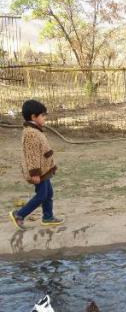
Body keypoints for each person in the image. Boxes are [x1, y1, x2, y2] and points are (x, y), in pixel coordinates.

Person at [9, 99, 63, 231]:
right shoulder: (30, 133)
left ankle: (48, 217)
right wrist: (35, 173)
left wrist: (49, 166)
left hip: (44, 170)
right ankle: (19, 214)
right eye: (43, 115)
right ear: (33, 116)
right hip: (38, 172)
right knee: (42, 195)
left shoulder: (36, 130)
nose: (45, 118)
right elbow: (31, 155)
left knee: (48, 193)